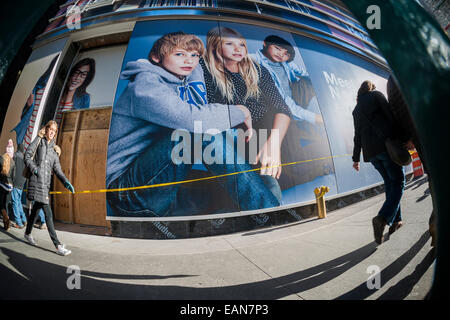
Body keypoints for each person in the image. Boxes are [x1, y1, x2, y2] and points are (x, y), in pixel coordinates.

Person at [106, 31, 280, 217]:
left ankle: (265, 212)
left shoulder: (188, 75)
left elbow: (204, 110)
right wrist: (241, 111)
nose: (189, 61)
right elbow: (192, 120)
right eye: (179, 54)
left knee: (263, 182)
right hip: (127, 192)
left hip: (163, 179)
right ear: (157, 57)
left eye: (194, 55)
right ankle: (273, 217)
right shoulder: (144, 85)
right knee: (196, 133)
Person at [201, 27, 293, 201]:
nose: (238, 49)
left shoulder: (257, 70)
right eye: (229, 44)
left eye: (242, 45)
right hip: (230, 134)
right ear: (214, 46)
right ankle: (270, 206)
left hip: (265, 134)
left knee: (265, 176)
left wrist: (273, 144)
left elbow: (282, 108)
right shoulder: (204, 70)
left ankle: (270, 204)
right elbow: (209, 113)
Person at [352, 80, 405, 245]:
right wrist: (401, 139)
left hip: (371, 154)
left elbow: (357, 136)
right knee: (398, 182)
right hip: (386, 147)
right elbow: (391, 116)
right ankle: (382, 218)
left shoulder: (356, 109)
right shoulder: (376, 95)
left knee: (390, 183)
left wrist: (355, 158)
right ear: (371, 87)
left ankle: (396, 221)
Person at [386, 75, 436, 246]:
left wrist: (407, 138)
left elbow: (395, 111)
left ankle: (436, 221)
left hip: (417, 135)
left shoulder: (391, 82)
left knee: (433, 175)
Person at [23, 121, 75, 256]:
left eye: (54, 130)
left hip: (45, 186)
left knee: (35, 211)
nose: (51, 132)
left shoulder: (54, 151)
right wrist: (35, 170)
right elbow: (27, 155)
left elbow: (58, 170)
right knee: (49, 215)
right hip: (36, 182)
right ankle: (58, 246)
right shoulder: (39, 141)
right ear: (46, 129)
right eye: (50, 129)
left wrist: (65, 181)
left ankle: (27, 233)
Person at [250, 35, 322, 125]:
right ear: (265, 43)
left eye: (286, 54)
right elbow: (282, 98)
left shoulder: (286, 64)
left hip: (293, 99)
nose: (281, 54)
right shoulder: (252, 59)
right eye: (277, 48)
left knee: (312, 81)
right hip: (273, 103)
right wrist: (314, 117)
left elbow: (305, 74)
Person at [12, 56, 59, 149]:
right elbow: (27, 111)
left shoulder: (54, 92)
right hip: (25, 141)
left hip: (35, 147)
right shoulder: (38, 87)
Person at [54, 58, 96, 125]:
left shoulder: (84, 98)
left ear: (86, 79)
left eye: (83, 74)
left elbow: (82, 123)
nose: (77, 77)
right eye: (76, 72)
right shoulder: (56, 90)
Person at [10, 143, 27, 229]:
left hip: (15, 182)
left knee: (14, 202)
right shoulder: (25, 159)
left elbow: (11, 168)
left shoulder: (15, 156)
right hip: (22, 183)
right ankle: (24, 219)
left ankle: (19, 223)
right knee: (19, 202)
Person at [0, 144, 15, 231]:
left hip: (1, 184)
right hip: (9, 186)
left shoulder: (1, 159)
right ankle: (7, 225)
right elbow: (14, 176)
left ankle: (6, 218)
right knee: (6, 204)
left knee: (1, 205)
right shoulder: (13, 162)